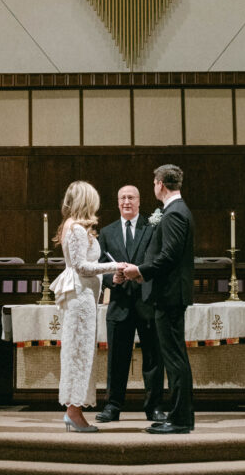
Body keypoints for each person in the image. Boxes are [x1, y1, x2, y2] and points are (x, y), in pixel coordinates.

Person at [123, 163, 195, 434]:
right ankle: (181, 415)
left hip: (169, 296)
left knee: (175, 359)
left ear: (161, 184)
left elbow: (169, 257)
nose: (154, 186)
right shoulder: (175, 211)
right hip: (168, 294)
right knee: (175, 357)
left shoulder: (175, 213)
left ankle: (180, 420)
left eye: (154, 183)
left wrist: (140, 270)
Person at [50, 180, 124, 432]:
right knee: (79, 353)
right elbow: (81, 267)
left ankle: (74, 410)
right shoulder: (77, 230)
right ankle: (73, 411)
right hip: (81, 299)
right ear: (86, 201)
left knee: (80, 352)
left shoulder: (74, 227)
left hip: (84, 297)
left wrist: (108, 276)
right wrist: (116, 265)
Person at [95, 184, 166, 424]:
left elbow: (159, 260)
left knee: (153, 359)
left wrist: (140, 273)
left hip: (148, 302)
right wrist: (110, 278)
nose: (126, 201)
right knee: (117, 358)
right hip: (119, 303)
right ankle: (113, 406)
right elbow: (99, 266)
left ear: (139, 201)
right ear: (117, 202)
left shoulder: (152, 227)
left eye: (131, 197)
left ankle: (154, 406)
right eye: (122, 197)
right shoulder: (106, 232)